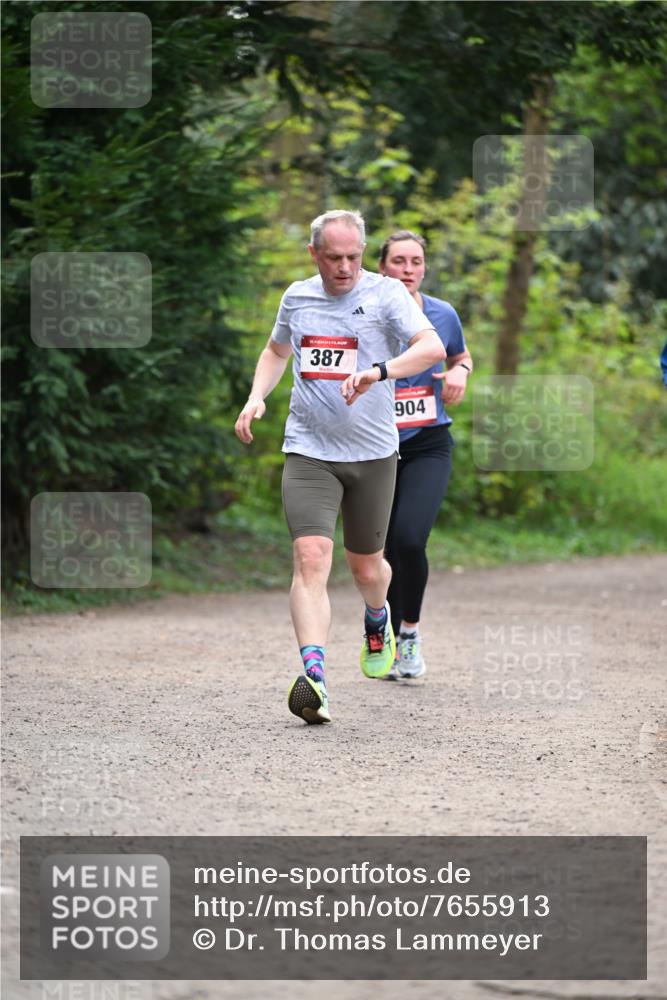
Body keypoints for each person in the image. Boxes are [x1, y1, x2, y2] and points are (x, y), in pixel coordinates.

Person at [234, 210, 445, 724]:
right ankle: (315, 680)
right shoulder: (297, 297)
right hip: (308, 449)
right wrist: (256, 396)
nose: (345, 267)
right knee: (310, 558)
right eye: (334, 257)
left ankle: (379, 617)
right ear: (315, 254)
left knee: (367, 569)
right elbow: (276, 349)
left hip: (372, 452)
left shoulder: (385, 294)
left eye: (353, 256)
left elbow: (432, 347)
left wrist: (378, 372)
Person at [378, 230, 472, 680]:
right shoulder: (367, 313)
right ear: (382, 267)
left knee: (411, 539)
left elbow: (462, 356)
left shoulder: (442, 313)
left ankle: (408, 633)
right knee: (382, 547)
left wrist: (460, 373)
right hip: (374, 446)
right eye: (399, 261)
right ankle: (385, 632)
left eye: (416, 261)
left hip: (428, 443)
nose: (408, 269)